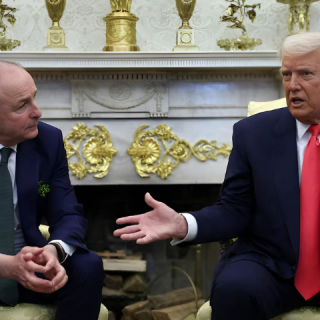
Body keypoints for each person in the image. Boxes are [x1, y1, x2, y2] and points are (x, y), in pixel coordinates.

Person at [114, 31, 320, 320]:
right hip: (271, 264)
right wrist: (183, 224)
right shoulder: (254, 133)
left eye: (305, 74)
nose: (292, 85)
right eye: (286, 74)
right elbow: (235, 208)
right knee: (234, 289)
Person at [0, 60, 104, 320]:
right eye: (22, 105)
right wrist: (6, 266)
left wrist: (53, 250)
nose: (38, 112)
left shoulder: (47, 141)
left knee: (87, 266)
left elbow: (68, 213)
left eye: (34, 98)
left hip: (28, 264)